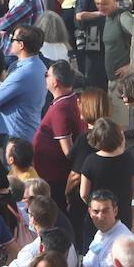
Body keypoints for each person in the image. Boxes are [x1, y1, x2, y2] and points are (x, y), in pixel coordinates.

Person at [33, 61, 82, 201]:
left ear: (55, 82)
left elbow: (69, 151)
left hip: (54, 177)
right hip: (51, 174)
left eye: (46, 75)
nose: (45, 78)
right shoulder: (69, 99)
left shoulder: (61, 109)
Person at [0, 25, 47, 140]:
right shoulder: (39, 65)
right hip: (26, 131)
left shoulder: (23, 73)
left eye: (13, 40)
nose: (10, 43)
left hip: (16, 135)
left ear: (21, 45)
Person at [80, 190, 134, 267]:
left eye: (105, 211)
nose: (100, 216)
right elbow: (85, 264)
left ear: (115, 211)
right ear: (90, 212)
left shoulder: (124, 240)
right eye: (96, 211)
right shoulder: (101, 233)